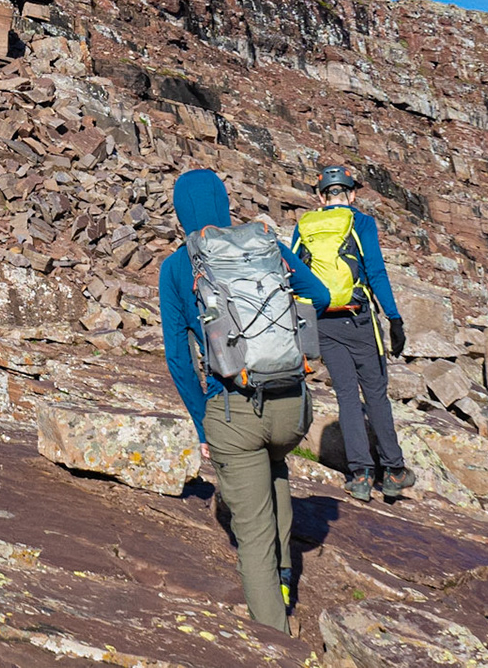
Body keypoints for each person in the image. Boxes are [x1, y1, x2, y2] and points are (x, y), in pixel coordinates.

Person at [160, 168, 332, 634]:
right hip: (292, 405)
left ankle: (274, 635)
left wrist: (203, 427)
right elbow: (320, 294)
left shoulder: (178, 266)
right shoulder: (263, 246)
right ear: (223, 202)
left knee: (252, 532)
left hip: (234, 408)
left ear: (181, 212)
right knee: (275, 469)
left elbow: (178, 359)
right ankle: (283, 577)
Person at [290, 165, 414, 502]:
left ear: (320, 196)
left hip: (323, 322)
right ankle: (393, 471)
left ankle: (360, 475)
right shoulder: (361, 223)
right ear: (352, 193)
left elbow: (293, 272)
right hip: (359, 320)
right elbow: (376, 272)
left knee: (346, 395)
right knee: (374, 394)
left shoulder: (305, 226)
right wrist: (394, 317)